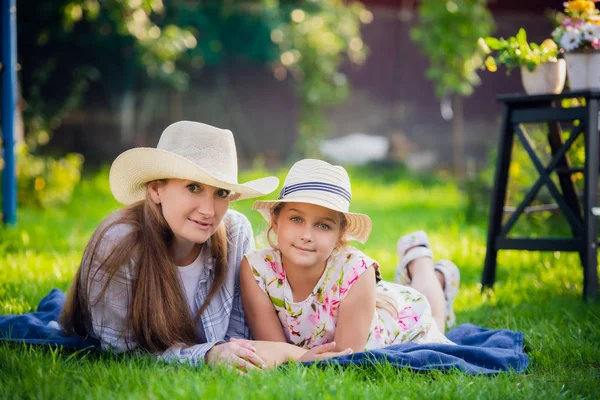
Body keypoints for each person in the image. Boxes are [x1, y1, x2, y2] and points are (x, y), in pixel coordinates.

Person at [59, 120, 328, 371]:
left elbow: (238, 334)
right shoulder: (119, 242)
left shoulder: (234, 233)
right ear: (156, 189)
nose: (209, 210)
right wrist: (206, 355)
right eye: (193, 187)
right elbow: (119, 350)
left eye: (221, 193)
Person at [240, 159, 460, 352]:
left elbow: (345, 360)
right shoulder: (257, 269)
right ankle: (427, 271)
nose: (306, 235)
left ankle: (420, 262)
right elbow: (274, 351)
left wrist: (290, 357)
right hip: (356, 297)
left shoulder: (357, 271)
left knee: (435, 326)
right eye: (296, 219)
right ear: (276, 221)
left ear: (340, 235)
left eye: (323, 226)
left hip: (395, 325)